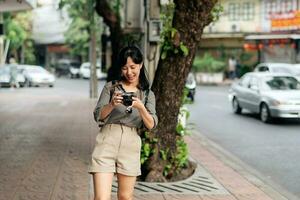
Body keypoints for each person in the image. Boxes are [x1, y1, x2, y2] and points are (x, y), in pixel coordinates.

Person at [88, 45, 158, 200]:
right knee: (101, 198)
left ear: (140, 65)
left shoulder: (147, 94)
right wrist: (112, 104)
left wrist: (140, 107)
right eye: (125, 68)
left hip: (131, 143)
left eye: (133, 67)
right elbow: (98, 115)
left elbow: (151, 124)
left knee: (125, 197)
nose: (129, 72)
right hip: (107, 140)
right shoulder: (111, 87)